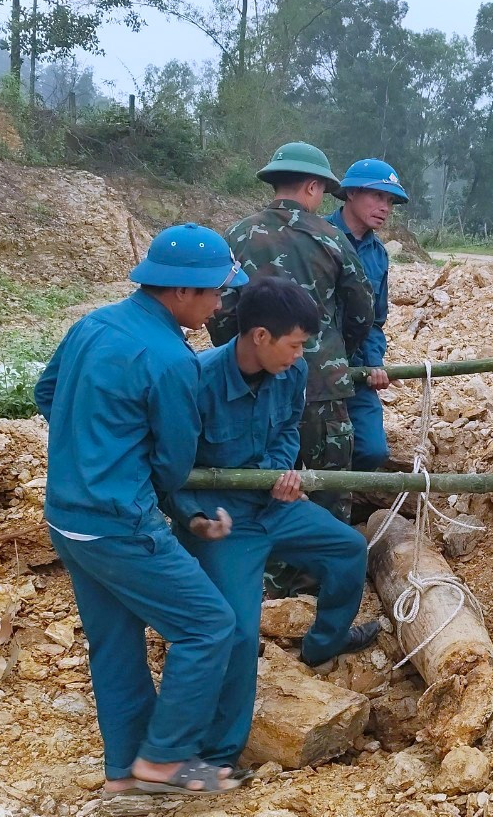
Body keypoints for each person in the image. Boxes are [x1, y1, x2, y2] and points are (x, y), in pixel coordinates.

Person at [34, 223, 248, 796]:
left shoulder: (92, 324)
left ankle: (125, 772)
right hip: (119, 525)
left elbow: (46, 392)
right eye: (216, 292)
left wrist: (89, 448)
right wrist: (132, 476)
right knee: (208, 625)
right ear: (181, 292)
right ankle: (165, 759)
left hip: (66, 517)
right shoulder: (172, 360)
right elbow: (174, 461)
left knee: (115, 642)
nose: (220, 303)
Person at [166, 276, 377, 772]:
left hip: (275, 507)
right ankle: (217, 756)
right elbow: (170, 462)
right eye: (295, 344)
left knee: (348, 548)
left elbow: (286, 431)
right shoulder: (196, 379)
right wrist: (193, 516)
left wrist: (282, 472)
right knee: (237, 632)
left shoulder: (291, 373)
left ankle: (323, 644)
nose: (300, 356)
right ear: (259, 336)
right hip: (224, 521)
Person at [207, 142, 375, 525]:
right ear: (314, 187)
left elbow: (218, 311)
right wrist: (333, 350)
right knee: (328, 482)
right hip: (322, 385)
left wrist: (246, 360)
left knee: (265, 476)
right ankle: (323, 562)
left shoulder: (236, 235)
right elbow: (363, 308)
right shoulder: (331, 236)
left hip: (252, 387)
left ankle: (272, 568)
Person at [326, 159, 409, 471]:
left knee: (372, 450)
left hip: (357, 369)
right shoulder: (317, 237)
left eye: (389, 201)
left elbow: (376, 320)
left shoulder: (378, 255)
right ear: (351, 194)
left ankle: (346, 504)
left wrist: (374, 363)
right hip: (311, 370)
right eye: (377, 196)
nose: (384, 207)